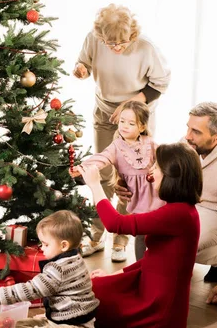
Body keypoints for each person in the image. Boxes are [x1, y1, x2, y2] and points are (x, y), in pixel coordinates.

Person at [116, 102, 217, 305]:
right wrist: (125, 183)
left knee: (174, 241)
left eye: (196, 131)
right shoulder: (189, 143)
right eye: (188, 127)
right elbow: (160, 171)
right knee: (145, 223)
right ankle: (142, 278)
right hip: (191, 201)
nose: (187, 135)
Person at [74, 3, 171, 262]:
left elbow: (160, 84)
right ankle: (96, 234)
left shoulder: (145, 47)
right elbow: (84, 61)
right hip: (105, 114)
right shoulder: (94, 39)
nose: (116, 48)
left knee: (132, 180)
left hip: (136, 119)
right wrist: (82, 69)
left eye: (122, 43)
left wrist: (131, 106)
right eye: (110, 43)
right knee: (102, 175)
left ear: (132, 34)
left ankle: (121, 238)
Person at [78, 142, 201, 328]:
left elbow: (115, 224)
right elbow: (155, 259)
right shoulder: (180, 209)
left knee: (81, 299)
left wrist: (95, 185)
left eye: (157, 167)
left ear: (171, 176)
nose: (152, 172)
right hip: (147, 289)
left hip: (157, 310)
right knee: (86, 288)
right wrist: (116, 274)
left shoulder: (178, 214)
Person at [0, 210, 99, 328]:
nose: (42, 248)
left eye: (46, 244)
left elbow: (31, 289)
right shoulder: (74, 258)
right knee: (19, 324)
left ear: (64, 245)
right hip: (59, 319)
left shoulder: (60, 269)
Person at [70, 101, 164, 261]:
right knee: (140, 235)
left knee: (158, 234)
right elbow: (101, 158)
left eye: (131, 123)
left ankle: (160, 263)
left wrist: (158, 167)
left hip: (156, 196)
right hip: (137, 201)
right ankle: (140, 267)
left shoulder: (150, 143)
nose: (125, 126)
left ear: (141, 127)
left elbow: (165, 157)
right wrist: (82, 167)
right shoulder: (116, 147)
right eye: (122, 121)